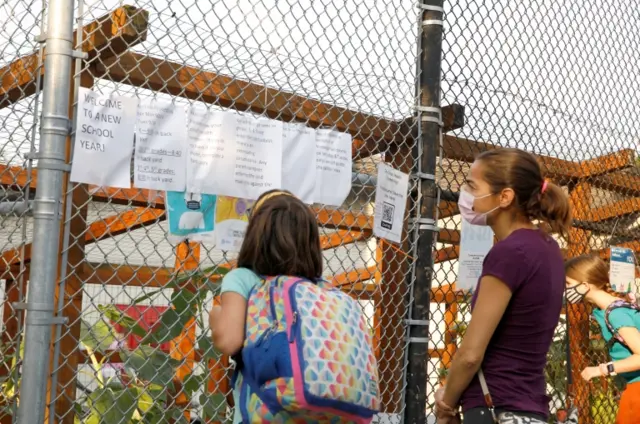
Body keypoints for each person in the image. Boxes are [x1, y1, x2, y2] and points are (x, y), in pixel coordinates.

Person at [434, 148, 572, 423]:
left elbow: (471, 354)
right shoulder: (549, 248)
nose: (465, 192)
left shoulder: (509, 253)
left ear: (505, 196)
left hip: (494, 404)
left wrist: (446, 404)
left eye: (472, 185)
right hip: (531, 406)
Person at [208, 189, 323, 424]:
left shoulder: (243, 279)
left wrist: (216, 315)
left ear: (255, 236)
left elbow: (229, 341)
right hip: (317, 413)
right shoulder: (319, 290)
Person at [564, 254, 640, 424]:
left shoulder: (615, 314)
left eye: (568, 284)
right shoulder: (616, 307)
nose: (566, 290)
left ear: (584, 285)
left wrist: (601, 369)